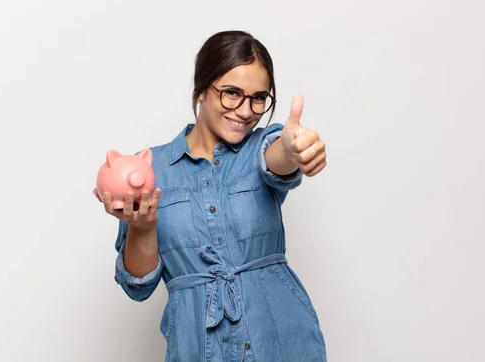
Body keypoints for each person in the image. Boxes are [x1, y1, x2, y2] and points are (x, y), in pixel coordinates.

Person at [93, 30, 328, 362]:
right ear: (202, 89)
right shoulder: (151, 168)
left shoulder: (259, 147)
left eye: (259, 98)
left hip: (281, 339)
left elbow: (277, 156)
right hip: (197, 347)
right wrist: (143, 227)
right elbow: (138, 287)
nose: (246, 111)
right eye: (232, 93)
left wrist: (294, 149)